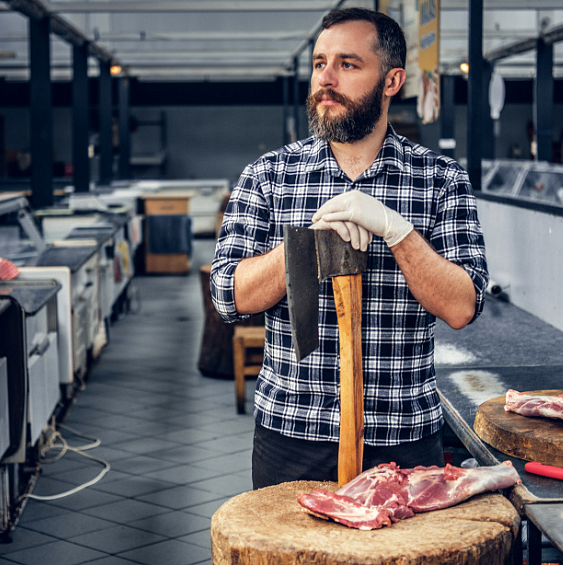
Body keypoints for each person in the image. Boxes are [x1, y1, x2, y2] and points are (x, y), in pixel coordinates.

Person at [210, 7, 488, 489]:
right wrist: (304, 243)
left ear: (392, 80)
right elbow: (227, 298)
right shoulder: (269, 175)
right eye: (320, 63)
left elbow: (463, 306)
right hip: (293, 435)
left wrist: (397, 232)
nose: (326, 79)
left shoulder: (441, 180)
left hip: (403, 437)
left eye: (348, 64)